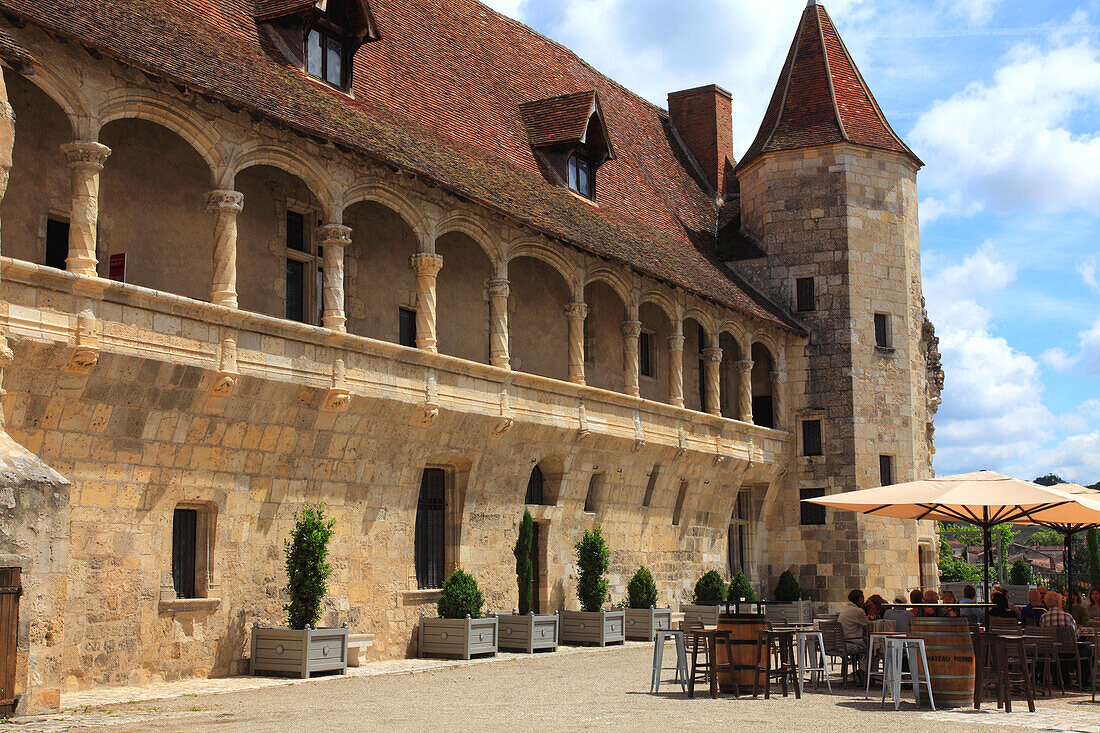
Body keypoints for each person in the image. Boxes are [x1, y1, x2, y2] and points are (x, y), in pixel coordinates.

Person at [839, 589, 871, 654]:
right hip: (852, 644)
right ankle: (867, 664)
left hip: (843, 643)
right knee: (873, 648)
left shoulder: (845, 608)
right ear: (860, 599)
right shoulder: (858, 611)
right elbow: (868, 626)